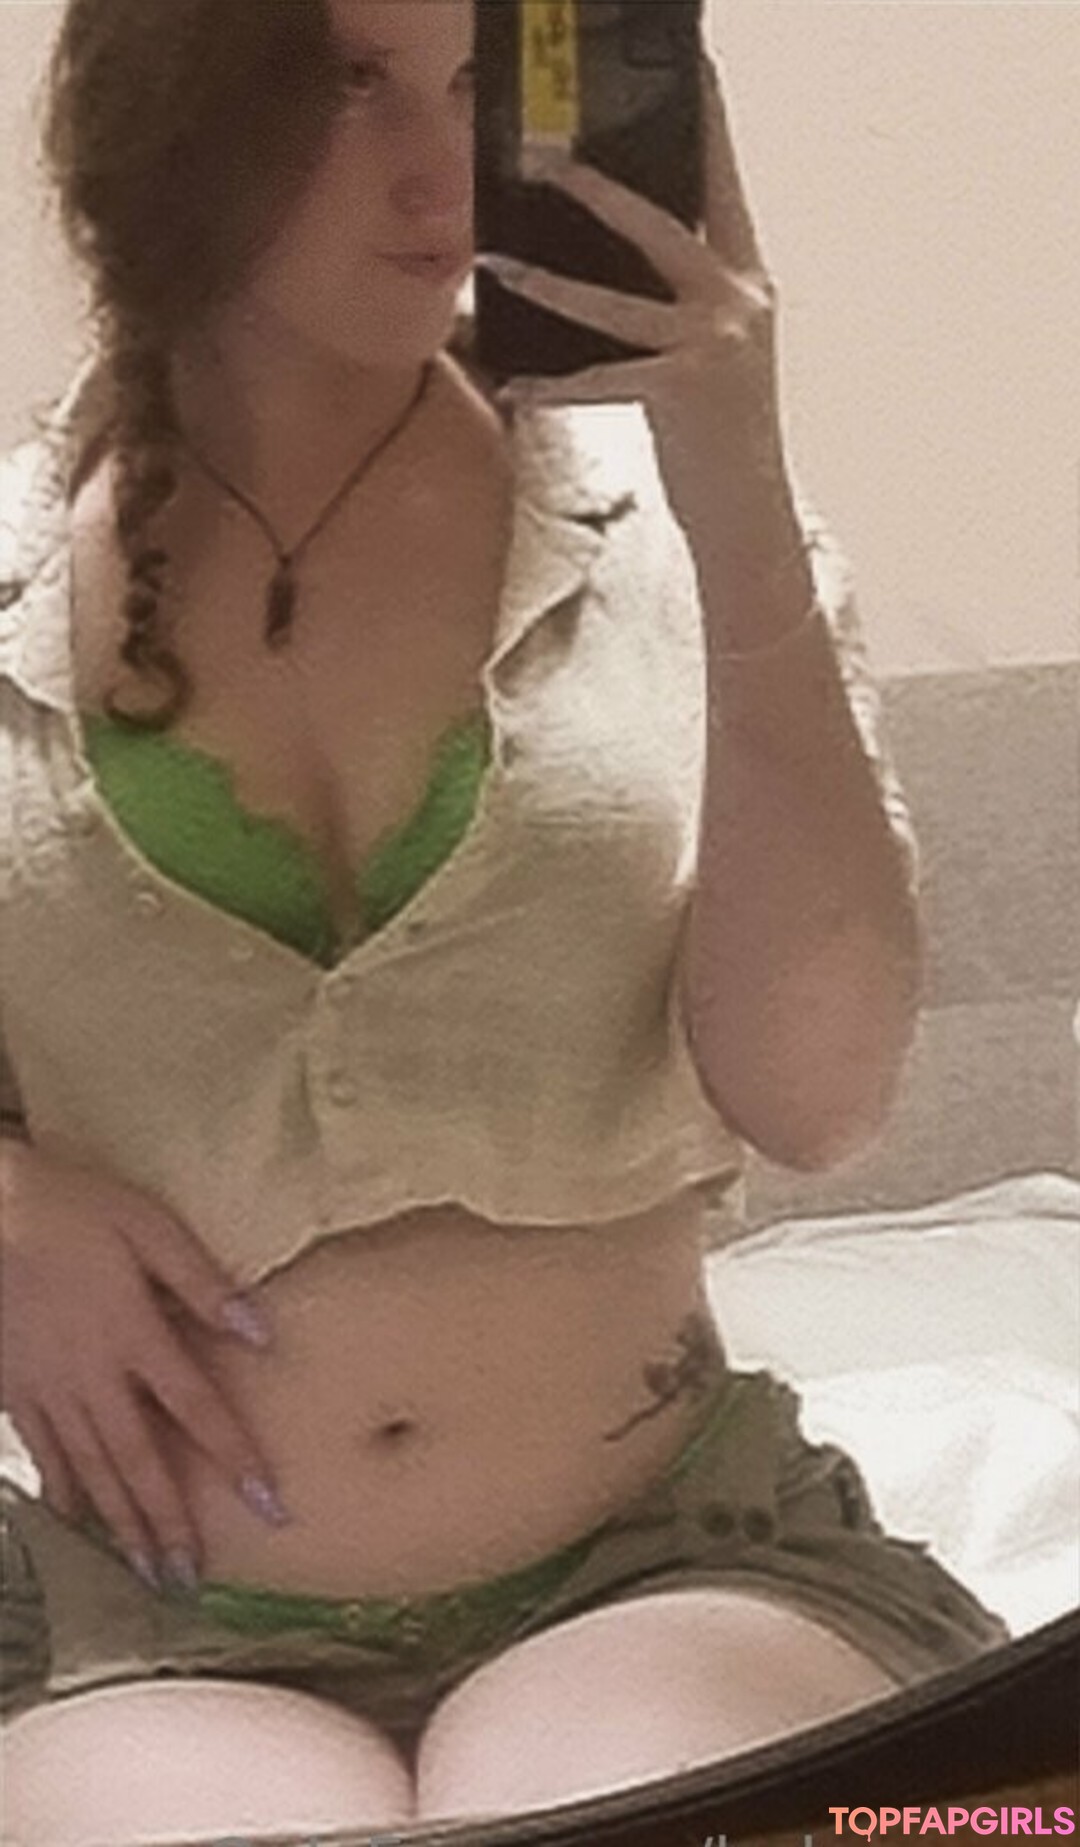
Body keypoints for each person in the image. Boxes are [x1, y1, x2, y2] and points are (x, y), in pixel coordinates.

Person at [0, 0, 1007, 1837]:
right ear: (166, 108)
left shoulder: (674, 552)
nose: (438, 175)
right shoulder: (10, 591)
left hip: (665, 1561)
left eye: (487, 86)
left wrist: (735, 476)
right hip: (152, 1626)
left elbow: (815, 1097)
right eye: (350, 81)